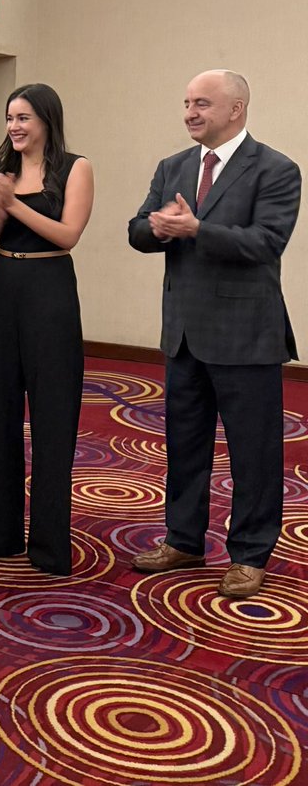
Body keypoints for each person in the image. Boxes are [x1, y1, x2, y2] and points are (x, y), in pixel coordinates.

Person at [127, 70, 300, 599]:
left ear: (236, 109)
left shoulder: (276, 169)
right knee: (185, 445)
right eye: (186, 103)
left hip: (245, 335)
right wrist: (157, 227)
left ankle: (250, 555)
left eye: (202, 103)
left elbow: (266, 243)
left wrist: (198, 229)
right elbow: (137, 231)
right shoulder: (173, 166)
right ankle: (183, 540)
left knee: (253, 453)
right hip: (183, 334)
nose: (190, 113)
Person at [0, 83, 93, 577]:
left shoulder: (75, 167)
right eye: (9, 118)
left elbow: (68, 234)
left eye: (23, 118)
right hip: (3, 287)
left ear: (46, 120)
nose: (14, 126)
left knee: (52, 413)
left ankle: (48, 545)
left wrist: (15, 205)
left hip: (50, 289)